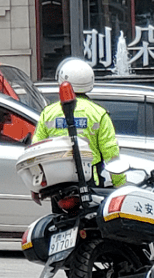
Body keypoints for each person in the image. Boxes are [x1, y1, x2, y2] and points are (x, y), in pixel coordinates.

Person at [32, 57, 125, 187]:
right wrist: (119, 183)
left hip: (57, 183)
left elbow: (36, 148)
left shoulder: (48, 113)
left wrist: (36, 186)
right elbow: (111, 152)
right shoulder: (99, 114)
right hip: (90, 180)